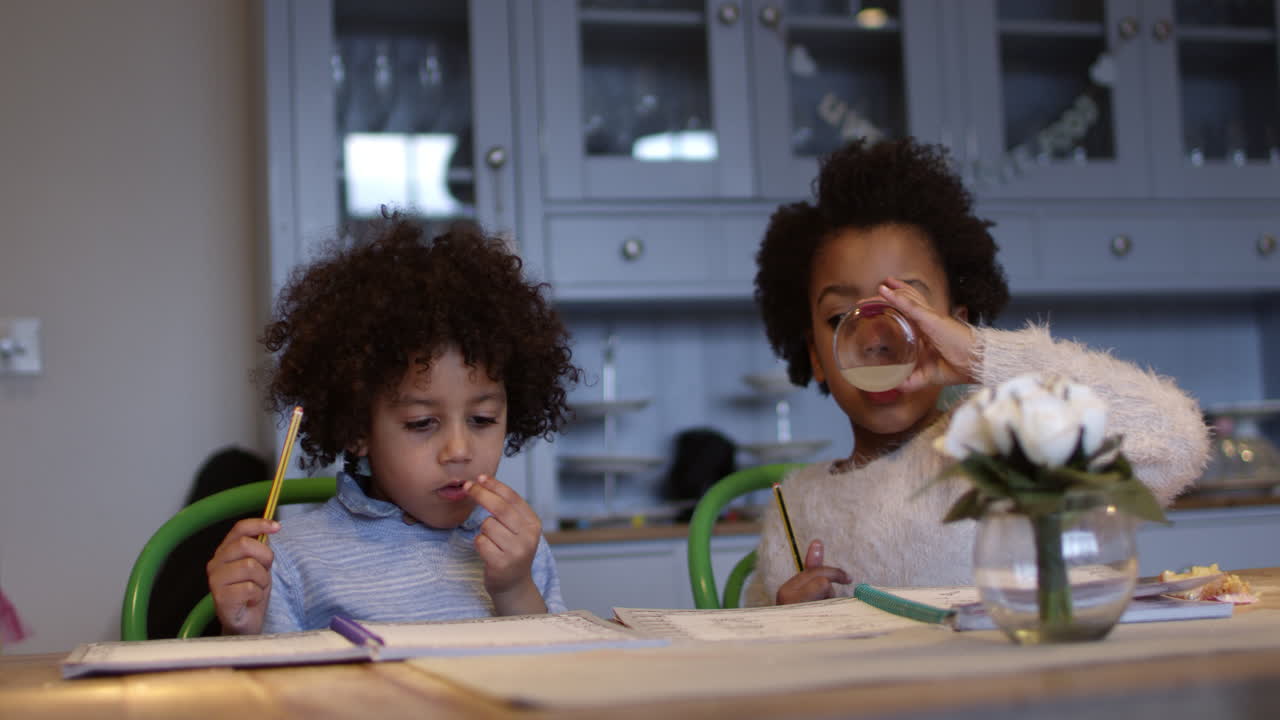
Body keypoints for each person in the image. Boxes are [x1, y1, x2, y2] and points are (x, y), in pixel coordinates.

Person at [746, 138, 1208, 607]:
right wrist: (788, 617)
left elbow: (1175, 443)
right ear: (815, 355)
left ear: (954, 323)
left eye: (906, 308)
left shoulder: (1004, 444)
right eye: (840, 317)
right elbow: (754, 635)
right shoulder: (794, 506)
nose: (875, 339)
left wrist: (980, 355)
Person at [207, 217, 580, 633]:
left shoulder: (515, 545)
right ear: (357, 429)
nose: (459, 450)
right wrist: (242, 631)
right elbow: (268, 676)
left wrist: (514, 588)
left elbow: (554, 666)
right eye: (422, 423)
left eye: (482, 419)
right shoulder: (290, 560)